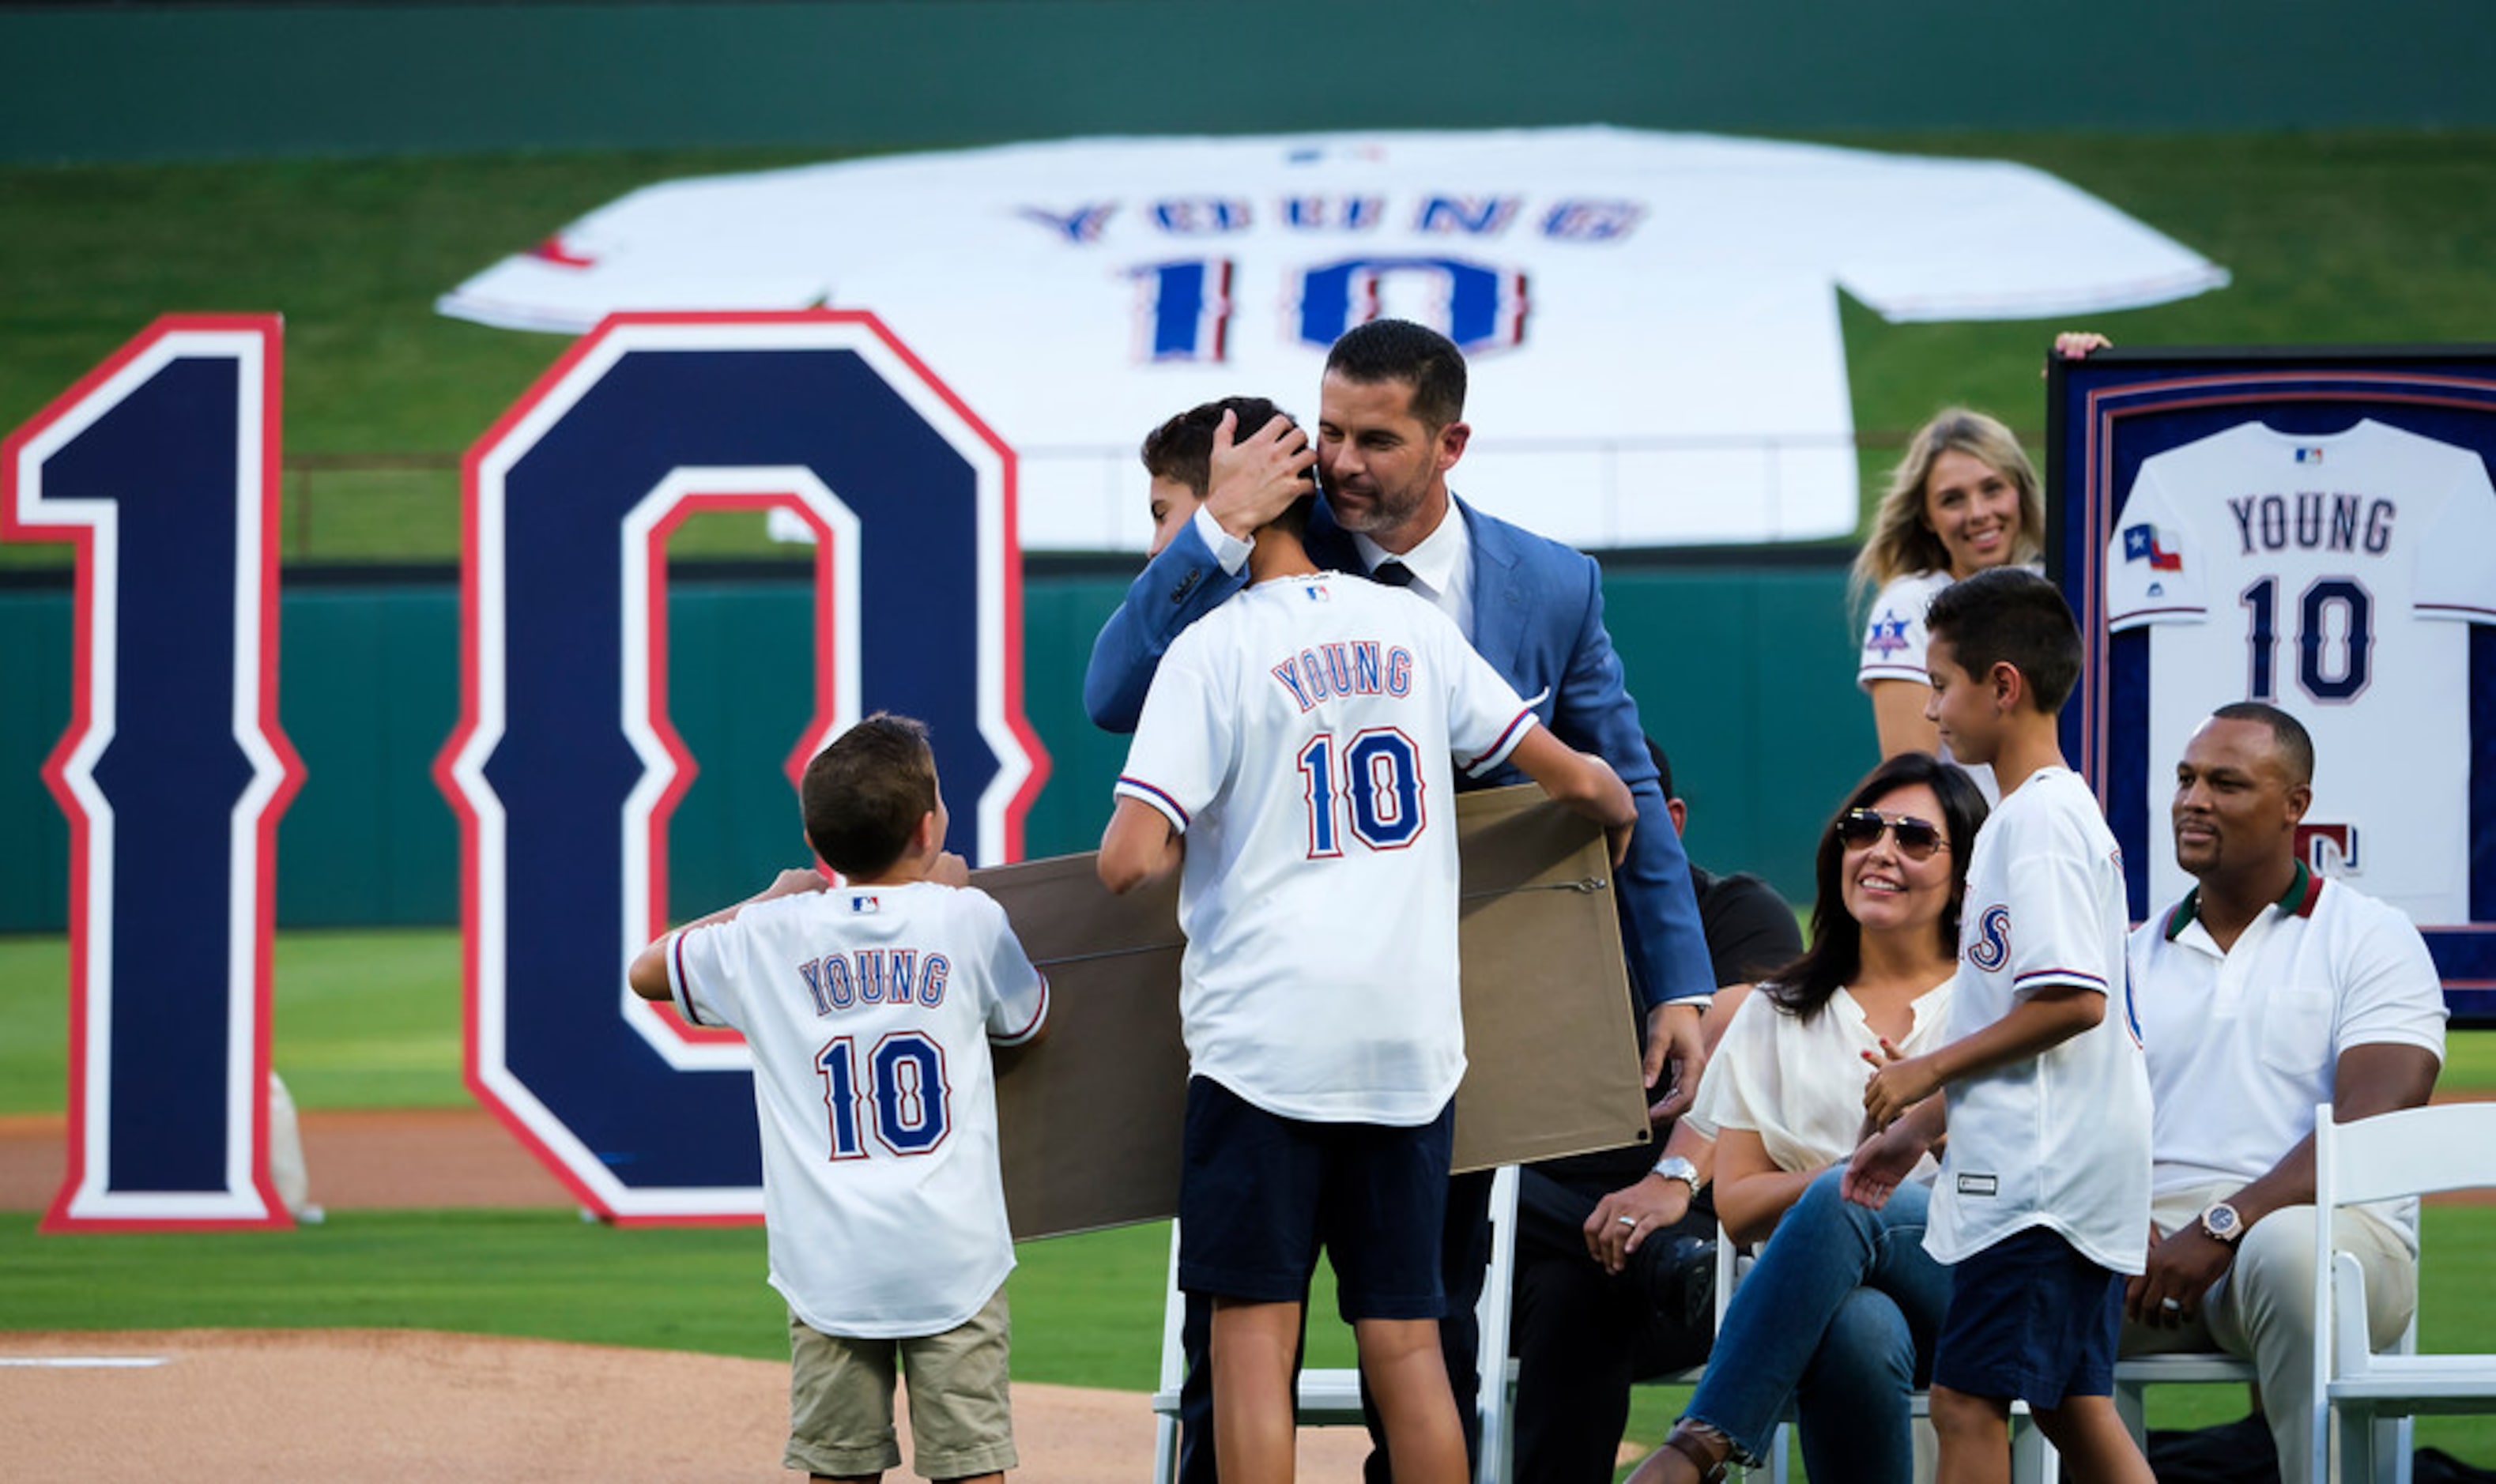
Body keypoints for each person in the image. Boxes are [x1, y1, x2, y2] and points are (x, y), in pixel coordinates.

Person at [1084, 319, 1718, 1483]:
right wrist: (1216, 528)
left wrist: (1675, 973)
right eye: (1324, 433)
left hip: (1281, 1033)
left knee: (1272, 1329)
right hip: (1413, 1037)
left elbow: (1128, 856)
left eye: (1374, 437)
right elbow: (1601, 785)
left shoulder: (1251, 629)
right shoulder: (1394, 620)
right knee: (1410, 1333)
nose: (1340, 462)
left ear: (1449, 441)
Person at [625, 714, 1050, 1484]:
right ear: (927, 828)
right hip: (950, 1258)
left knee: (838, 1469)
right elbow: (1027, 1025)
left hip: (827, 1270)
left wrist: (761, 901)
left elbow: (647, 971)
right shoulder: (968, 920)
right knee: (972, 1467)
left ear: (820, 844)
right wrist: (947, 900)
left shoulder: (769, 935)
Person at [1843, 566, 2154, 1484]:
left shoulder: (2041, 821)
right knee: (2068, 1403)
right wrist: (1916, 1132)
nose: (1930, 711)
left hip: (2041, 1177)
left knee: (1963, 1401)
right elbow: (2029, 1013)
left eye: (1941, 685)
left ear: (2003, 686)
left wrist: (1923, 1072)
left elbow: (2072, 1002)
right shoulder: (2036, 816)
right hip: (2056, 1162)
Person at [1616, 751, 1984, 1484]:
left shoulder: (1994, 1006)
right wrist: (1846, 1174)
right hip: (1833, 1302)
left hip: (1976, 1290)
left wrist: (1902, 1152)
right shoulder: (1774, 1012)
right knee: (1857, 1326)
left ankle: (1696, 1447)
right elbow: (1739, 1205)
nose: (1881, 851)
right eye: (1862, 830)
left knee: (1844, 1197)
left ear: (1964, 873)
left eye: (1913, 838)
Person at [2120, 702, 2445, 1484]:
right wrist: (2112, 1230)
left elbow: (2372, 1119)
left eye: (2224, 784)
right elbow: (2077, 1124)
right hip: (2154, 1256)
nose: (2193, 800)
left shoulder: (2370, 935)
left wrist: (2224, 1223)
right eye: (2185, 779)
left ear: (2293, 806)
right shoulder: (2127, 955)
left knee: (2286, 1252)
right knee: (2011, 1273)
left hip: (2327, 1231)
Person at [1508, 741, 1804, 1484]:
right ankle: (1654, 1261)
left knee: (1585, 1286)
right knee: (1566, 1254)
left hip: (1698, 1234)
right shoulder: (1514, 933)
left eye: (1610, 817)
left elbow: (1743, 1037)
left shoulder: (1736, 911)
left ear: (1670, 819)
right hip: (1575, 1243)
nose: (1589, 837)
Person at [1850, 335, 2107, 801]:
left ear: (2020, 491)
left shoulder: (2064, 583)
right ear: (1926, 516)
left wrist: (2093, 381)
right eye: (1952, 499)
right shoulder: (1908, 604)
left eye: (1993, 489)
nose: (1978, 513)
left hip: (2079, 830)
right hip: (1976, 855)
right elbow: (1916, 785)